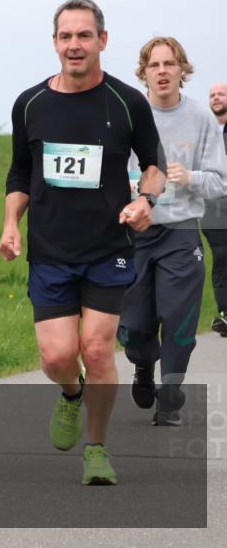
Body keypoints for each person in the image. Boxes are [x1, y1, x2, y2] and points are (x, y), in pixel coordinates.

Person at [0, 0, 165, 485]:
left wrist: (145, 201)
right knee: (56, 357)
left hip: (107, 249)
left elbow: (153, 166)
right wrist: (11, 223)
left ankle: (96, 448)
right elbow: (20, 172)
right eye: (66, 36)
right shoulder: (29, 104)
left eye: (84, 35)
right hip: (50, 252)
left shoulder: (127, 102)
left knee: (96, 349)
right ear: (55, 43)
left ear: (102, 41)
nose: (75, 45)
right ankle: (71, 394)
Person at [118, 39, 227, 426]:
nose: (162, 71)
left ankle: (170, 395)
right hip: (134, 234)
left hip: (181, 231)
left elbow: (220, 182)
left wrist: (191, 177)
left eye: (170, 64)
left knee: (180, 319)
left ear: (183, 69)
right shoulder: (128, 113)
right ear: (143, 71)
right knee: (134, 327)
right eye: (154, 65)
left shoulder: (200, 118)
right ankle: (143, 365)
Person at [202, 82, 227, 337]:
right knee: (221, 255)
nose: (216, 98)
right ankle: (224, 312)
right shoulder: (206, 132)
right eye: (212, 95)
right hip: (213, 205)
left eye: (221, 94)